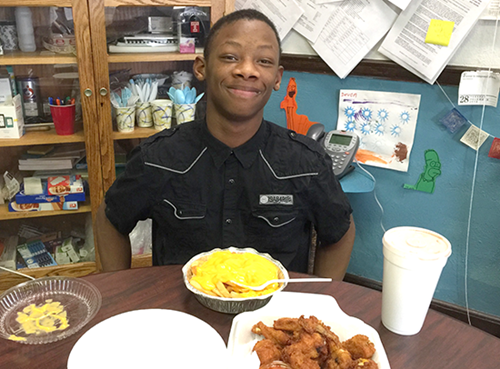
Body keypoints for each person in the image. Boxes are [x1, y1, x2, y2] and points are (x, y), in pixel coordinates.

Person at [95, 8, 355, 279]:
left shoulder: (306, 162)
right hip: (181, 314)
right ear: (201, 67)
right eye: (230, 57)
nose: (247, 70)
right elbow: (110, 220)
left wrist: (321, 300)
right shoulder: (158, 158)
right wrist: (120, 293)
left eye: (263, 61)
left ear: (277, 78)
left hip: (272, 317)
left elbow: (340, 233)